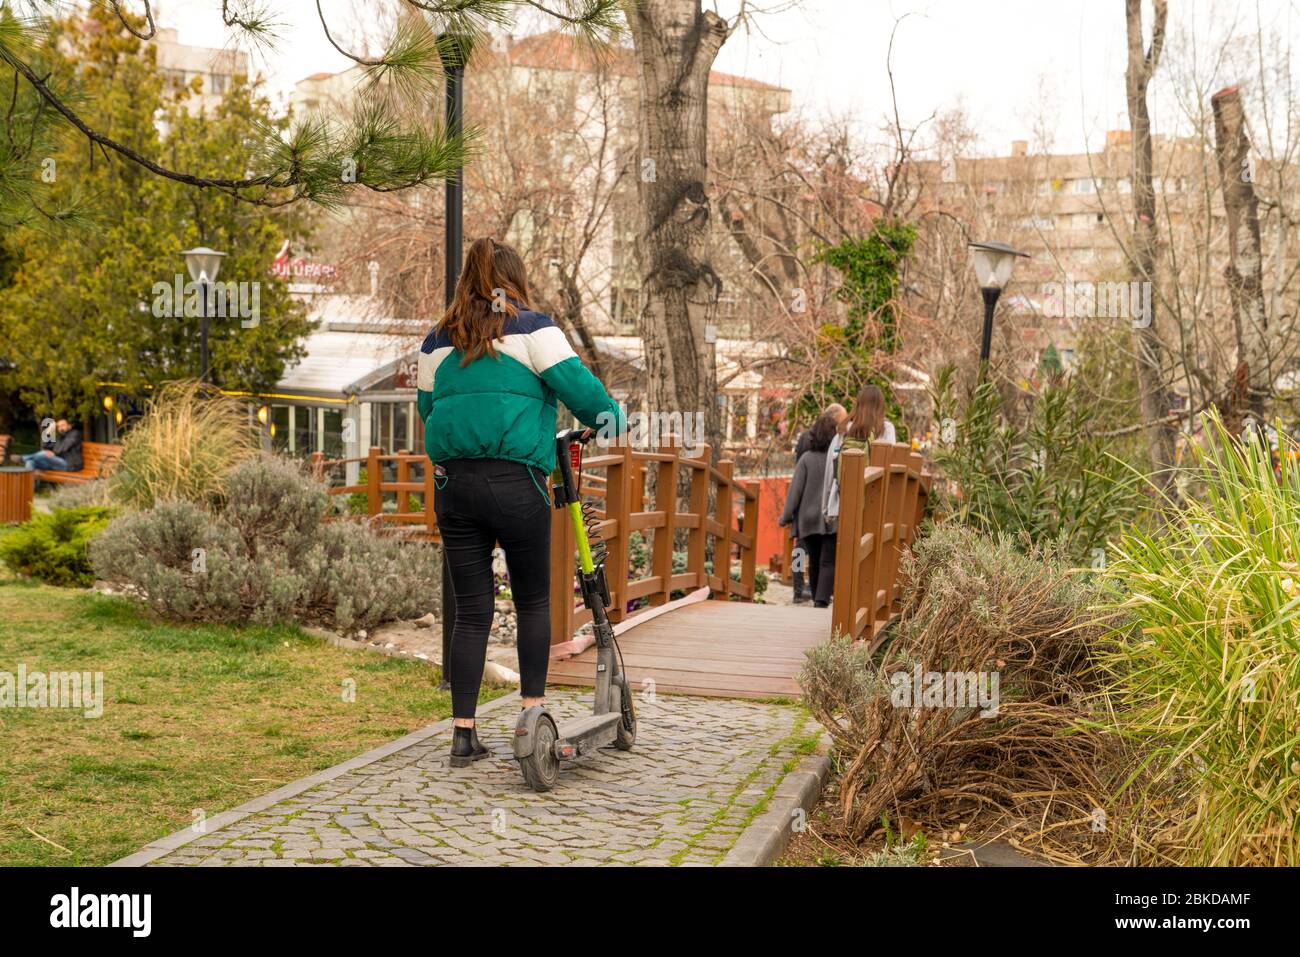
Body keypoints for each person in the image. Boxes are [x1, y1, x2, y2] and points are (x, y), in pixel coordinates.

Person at [417, 237, 625, 768]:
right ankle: (532, 720)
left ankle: (463, 735)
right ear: (514, 280)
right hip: (517, 483)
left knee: (471, 610)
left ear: (465, 281)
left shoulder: (437, 340)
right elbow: (586, 397)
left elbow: (427, 409)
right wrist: (613, 421)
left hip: (454, 487)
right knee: (533, 600)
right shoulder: (534, 329)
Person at [778, 411, 840, 608]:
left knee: (810, 559)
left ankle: (806, 593)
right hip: (829, 518)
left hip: (807, 519)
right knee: (826, 561)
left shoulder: (805, 459)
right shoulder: (836, 460)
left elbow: (795, 492)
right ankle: (820, 599)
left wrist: (786, 516)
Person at [822, 385, 896, 529]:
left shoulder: (844, 429)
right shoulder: (886, 429)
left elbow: (831, 469)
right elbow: (891, 464)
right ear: (881, 405)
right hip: (876, 503)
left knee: (848, 544)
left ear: (858, 404)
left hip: (845, 501)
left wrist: (826, 507)